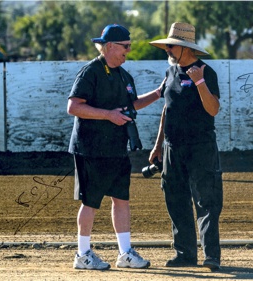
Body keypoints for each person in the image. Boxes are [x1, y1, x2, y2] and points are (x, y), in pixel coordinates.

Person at [67, 24, 162, 270]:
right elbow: (74, 107)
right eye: (126, 46)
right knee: (90, 202)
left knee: (121, 200)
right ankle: (82, 255)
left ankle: (125, 253)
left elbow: (133, 104)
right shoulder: (91, 71)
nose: (128, 51)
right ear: (110, 46)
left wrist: (160, 92)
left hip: (116, 148)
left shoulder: (123, 74)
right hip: (91, 148)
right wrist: (108, 115)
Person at [148, 22, 223, 270]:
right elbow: (166, 110)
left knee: (206, 201)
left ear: (183, 47)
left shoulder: (206, 72)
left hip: (201, 146)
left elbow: (214, 109)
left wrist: (200, 82)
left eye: (170, 46)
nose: (167, 50)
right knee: (176, 199)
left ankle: (211, 256)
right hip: (172, 147)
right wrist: (158, 146)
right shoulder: (170, 73)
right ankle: (185, 254)